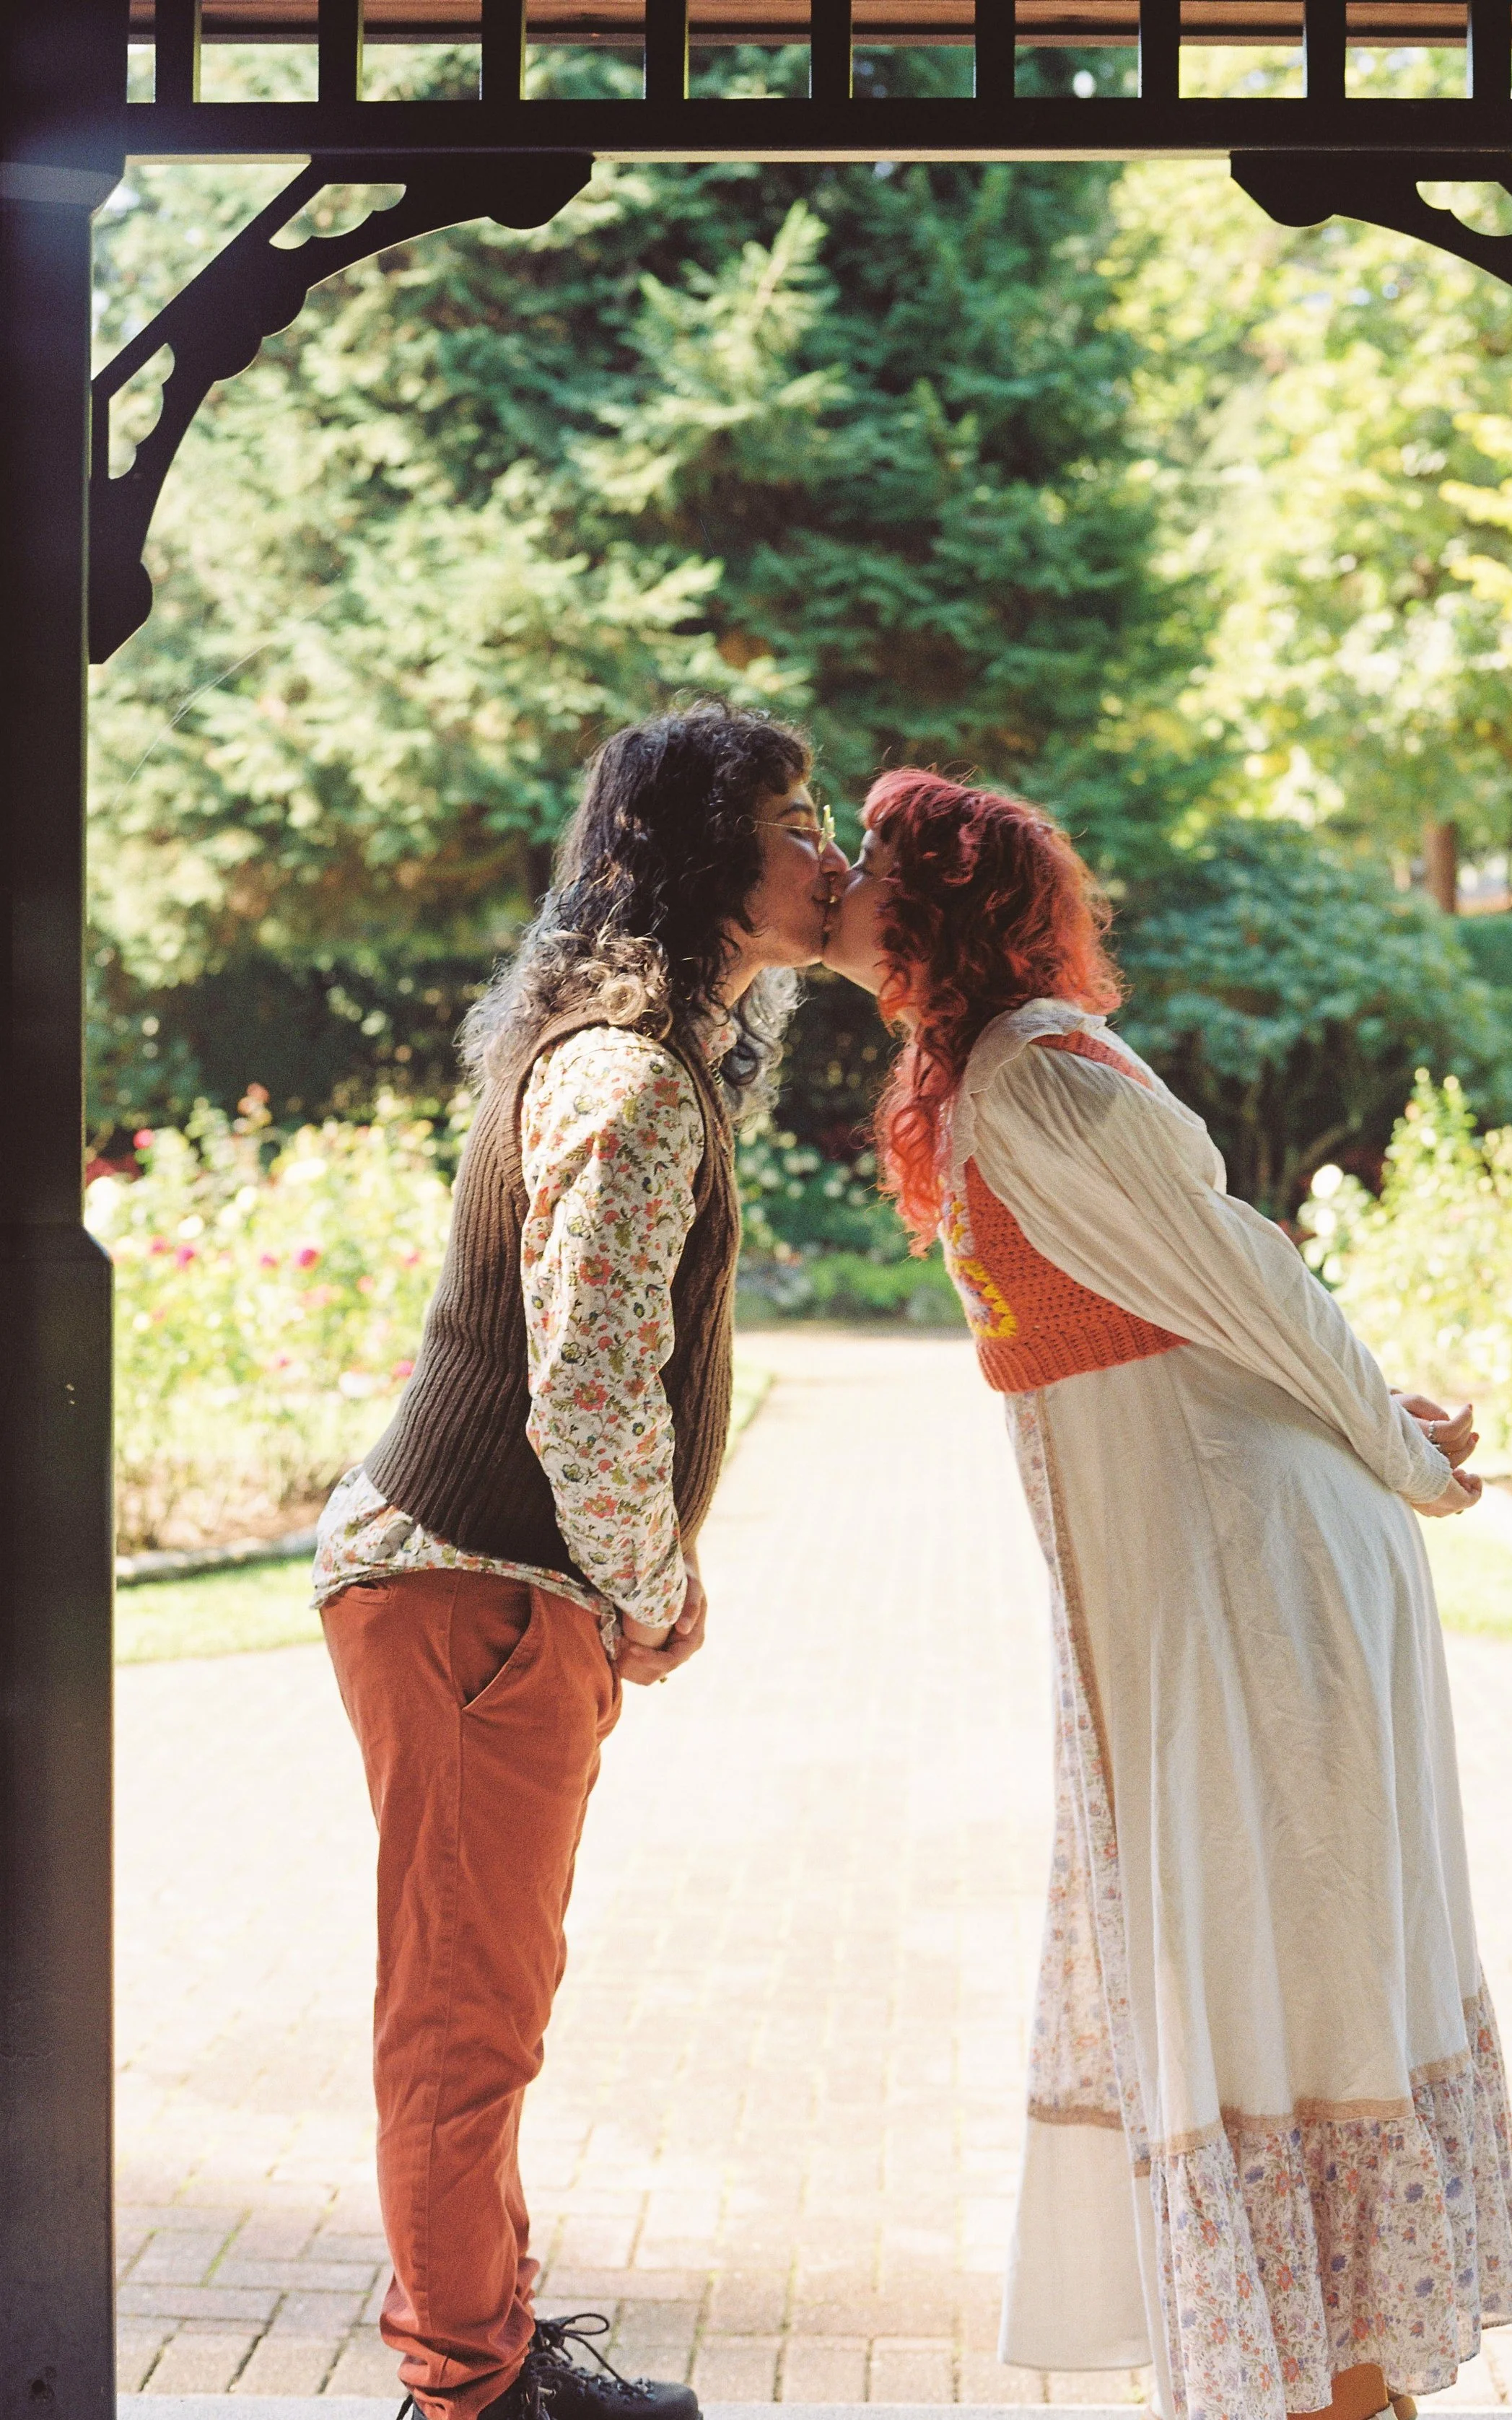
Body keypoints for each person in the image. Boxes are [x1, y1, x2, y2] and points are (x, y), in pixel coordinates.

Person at [823, 770, 1512, 2420]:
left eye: (872, 864)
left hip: (1250, 1581)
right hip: (1198, 1576)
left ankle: (1344, 2389)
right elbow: (1216, 1305)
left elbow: (1249, 1271)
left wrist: (1399, 1446)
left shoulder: (1044, 1082)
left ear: (936, 906)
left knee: (1289, 1959)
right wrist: (1378, 1417)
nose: (843, 884)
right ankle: (1327, 2384)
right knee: (1258, 1953)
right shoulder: (999, 1075)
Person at [311, 702, 849, 2420]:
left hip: (476, 1585)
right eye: (792, 818)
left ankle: (486, 2351)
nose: (824, 851)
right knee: (465, 2020)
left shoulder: (647, 1048)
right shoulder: (624, 1074)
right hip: (476, 1586)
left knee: (487, 1996)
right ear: (705, 857)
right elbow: (590, 1386)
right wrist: (654, 1585)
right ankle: (464, 2390)